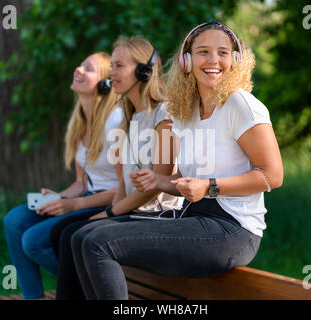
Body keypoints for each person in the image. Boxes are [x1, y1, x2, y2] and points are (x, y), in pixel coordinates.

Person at [70, 21, 284, 300]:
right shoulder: (188, 111)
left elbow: (272, 175)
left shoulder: (240, 104)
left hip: (233, 230)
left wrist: (209, 187)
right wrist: (158, 180)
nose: (213, 60)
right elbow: (184, 182)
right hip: (194, 219)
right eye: (203, 51)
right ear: (186, 60)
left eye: (222, 52)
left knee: (99, 243)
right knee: (81, 237)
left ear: (235, 59)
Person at [50, 36, 180, 300]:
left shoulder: (163, 116)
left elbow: (156, 185)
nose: (112, 73)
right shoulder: (131, 117)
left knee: (75, 235)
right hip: (133, 210)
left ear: (144, 70)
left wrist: (109, 212)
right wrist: (108, 214)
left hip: (158, 216)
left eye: (119, 65)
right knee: (65, 233)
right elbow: (124, 184)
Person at [3, 52, 123, 299]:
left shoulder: (116, 121)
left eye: (88, 68)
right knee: (14, 220)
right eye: (80, 65)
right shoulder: (78, 122)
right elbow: (82, 182)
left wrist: (74, 204)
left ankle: (94, 285)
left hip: (110, 204)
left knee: (33, 241)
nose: (78, 69)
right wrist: (58, 197)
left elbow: (125, 188)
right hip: (85, 197)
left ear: (105, 83)